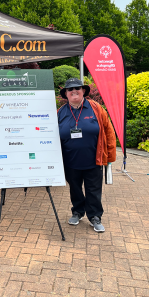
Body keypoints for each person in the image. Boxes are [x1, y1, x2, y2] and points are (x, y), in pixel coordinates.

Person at [57, 78, 116, 232]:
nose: (74, 91)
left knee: (93, 189)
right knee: (74, 188)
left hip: (93, 160)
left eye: (77, 88)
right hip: (70, 161)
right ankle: (77, 211)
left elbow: (109, 132)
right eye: (70, 89)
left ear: (83, 91)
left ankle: (95, 216)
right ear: (66, 94)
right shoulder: (60, 112)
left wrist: (109, 156)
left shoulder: (96, 108)